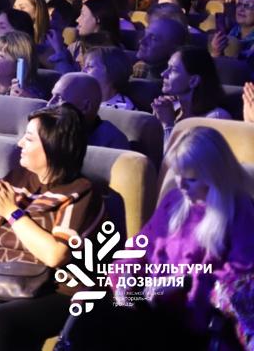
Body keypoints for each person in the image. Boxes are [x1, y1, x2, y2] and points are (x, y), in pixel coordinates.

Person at [66, 126, 254, 348]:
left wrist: (180, 283)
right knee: (89, 307)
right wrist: (125, 275)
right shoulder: (174, 201)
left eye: (191, 179)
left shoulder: (239, 211)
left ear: (215, 176)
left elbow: (239, 279)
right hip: (150, 298)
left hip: (192, 314)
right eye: (178, 174)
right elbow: (141, 245)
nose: (181, 185)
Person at [0, 104, 105, 351]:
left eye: (29, 138)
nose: (20, 143)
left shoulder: (80, 192)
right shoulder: (17, 179)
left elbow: (55, 255)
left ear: (53, 146)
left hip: (55, 291)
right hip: (4, 279)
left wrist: (12, 213)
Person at [151, 47, 232, 144]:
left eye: (173, 70)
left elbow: (177, 154)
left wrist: (168, 124)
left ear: (193, 81)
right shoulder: (172, 108)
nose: (163, 74)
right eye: (167, 67)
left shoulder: (216, 117)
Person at [47, 72, 130, 150]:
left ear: (85, 107)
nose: (49, 104)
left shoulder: (111, 142)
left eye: (59, 98)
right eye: (52, 96)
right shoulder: (47, 127)